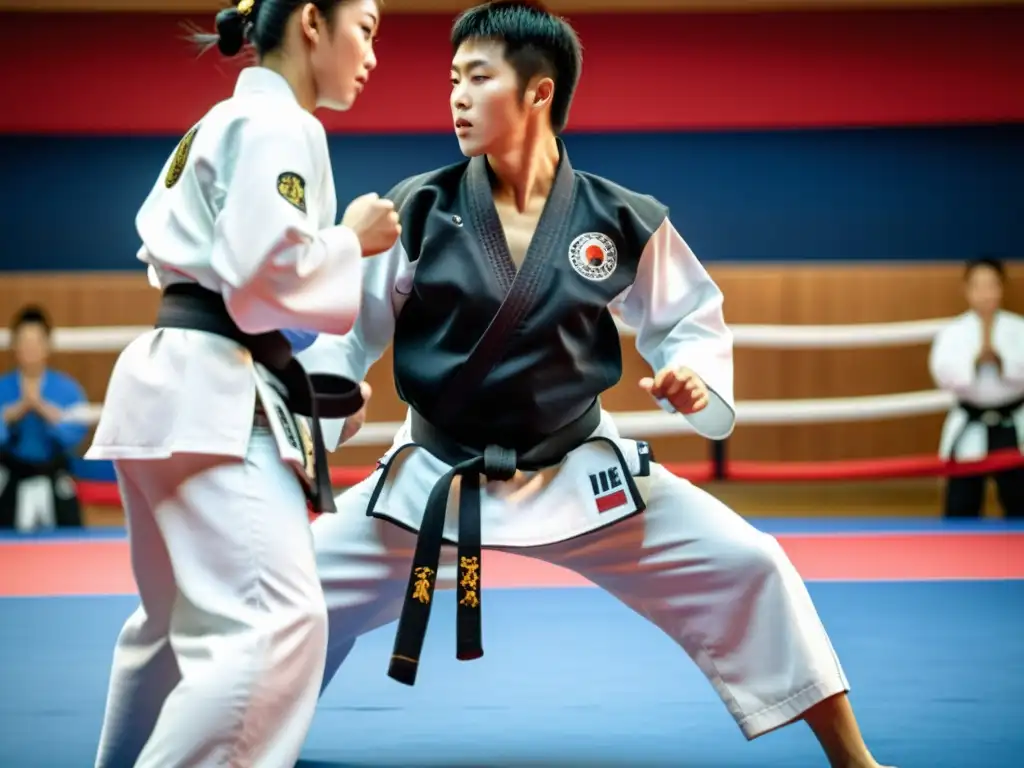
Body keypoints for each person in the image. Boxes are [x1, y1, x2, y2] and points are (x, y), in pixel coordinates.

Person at [298, 3, 894, 766]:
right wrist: (323, 415)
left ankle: (854, 758)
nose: (456, 97)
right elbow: (347, 335)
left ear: (538, 92)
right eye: (452, 80)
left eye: (477, 79)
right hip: (439, 479)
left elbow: (691, 321)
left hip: (581, 471)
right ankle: (246, 747)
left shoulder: (618, 218)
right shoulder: (416, 208)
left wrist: (693, 380)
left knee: (752, 564)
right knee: (291, 598)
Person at [83, 1, 397, 766]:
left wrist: (311, 384)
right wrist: (350, 242)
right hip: (211, 399)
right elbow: (263, 283)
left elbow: (233, 289)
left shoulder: (220, 122)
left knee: (171, 632)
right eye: (366, 30)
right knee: (275, 627)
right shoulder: (280, 125)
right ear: (313, 23)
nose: (373, 56)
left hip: (173, 384)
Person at [929, 257, 1023, 518]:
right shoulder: (953, 332)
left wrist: (1003, 363)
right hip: (970, 422)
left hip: (1013, 423)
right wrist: (974, 362)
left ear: (1002, 288)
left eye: (991, 285)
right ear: (967, 290)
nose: (985, 293)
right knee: (962, 505)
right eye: (978, 286)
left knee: (1019, 502)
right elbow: (942, 375)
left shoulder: (1019, 328)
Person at [0, 305, 89, 532]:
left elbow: (76, 435)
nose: (30, 349)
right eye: (24, 342)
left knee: (69, 542)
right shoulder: (4, 387)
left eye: (36, 342)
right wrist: (11, 416)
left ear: (48, 345)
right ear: (14, 345)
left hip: (53, 474)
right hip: (12, 476)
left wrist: (44, 409)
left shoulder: (67, 389)